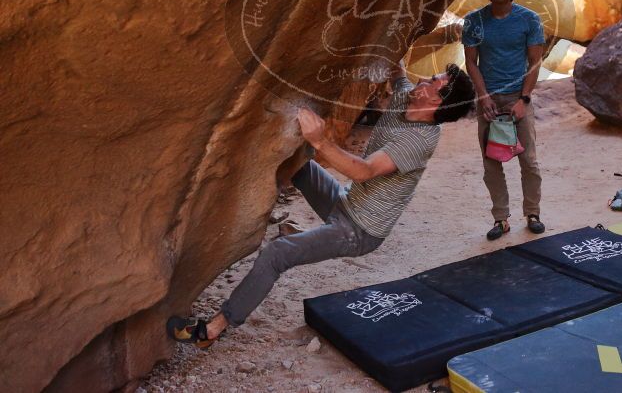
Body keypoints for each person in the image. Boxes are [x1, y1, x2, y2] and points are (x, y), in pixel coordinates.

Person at [167, 61, 475, 347]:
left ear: (435, 101)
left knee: (277, 254)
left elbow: (363, 171)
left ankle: (213, 329)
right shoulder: (408, 97)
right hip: (345, 202)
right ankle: (267, 213)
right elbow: (398, 71)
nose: (425, 78)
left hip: (359, 230)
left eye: (434, 81)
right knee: (299, 161)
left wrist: (319, 140)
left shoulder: (421, 139)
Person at [462, 0, 546, 241]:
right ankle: (501, 219)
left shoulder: (529, 20)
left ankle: (532, 213)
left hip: (517, 98)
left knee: (529, 161)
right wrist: (483, 96)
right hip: (489, 99)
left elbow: (535, 63)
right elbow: (471, 63)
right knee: (491, 163)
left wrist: (524, 99)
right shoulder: (475, 21)